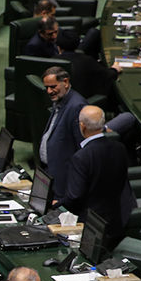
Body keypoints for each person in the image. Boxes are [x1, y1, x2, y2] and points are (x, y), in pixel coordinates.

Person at [59, 106, 136, 247]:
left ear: (82, 126)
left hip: (91, 227)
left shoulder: (81, 157)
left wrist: (58, 204)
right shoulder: (119, 148)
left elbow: (75, 196)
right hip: (116, 221)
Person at [38, 67, 87, 200]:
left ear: (65, 82)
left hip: (64, 179)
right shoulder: (60, 101)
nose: (49, 91)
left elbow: (81, 149)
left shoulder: (77, 106)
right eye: (46, 87)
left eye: (53, 87)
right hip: (50, 172)